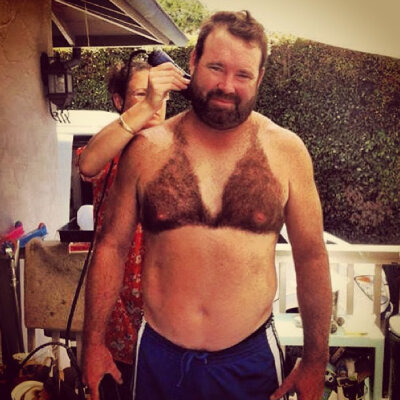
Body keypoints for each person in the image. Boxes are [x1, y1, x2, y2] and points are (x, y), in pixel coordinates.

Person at [82, 10, 332, 400]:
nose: (227, 86)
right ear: (194, 62)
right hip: (158, 359)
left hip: (250, 362)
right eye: (216, 67)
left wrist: (316, 360)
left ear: (259, 78)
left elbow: (312, 255)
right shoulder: (148, 150)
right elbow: (111, 246)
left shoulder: (287, 152)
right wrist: (93, 343)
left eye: (243, 74)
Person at [78, 58, 189, 399]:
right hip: (118, 319)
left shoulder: (182, 147)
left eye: (161, 95)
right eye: (143, 93)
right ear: (118, 100)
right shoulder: (112, 147)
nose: (156, 103)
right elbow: (88, 163)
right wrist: (146, 106)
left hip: (172, 319)